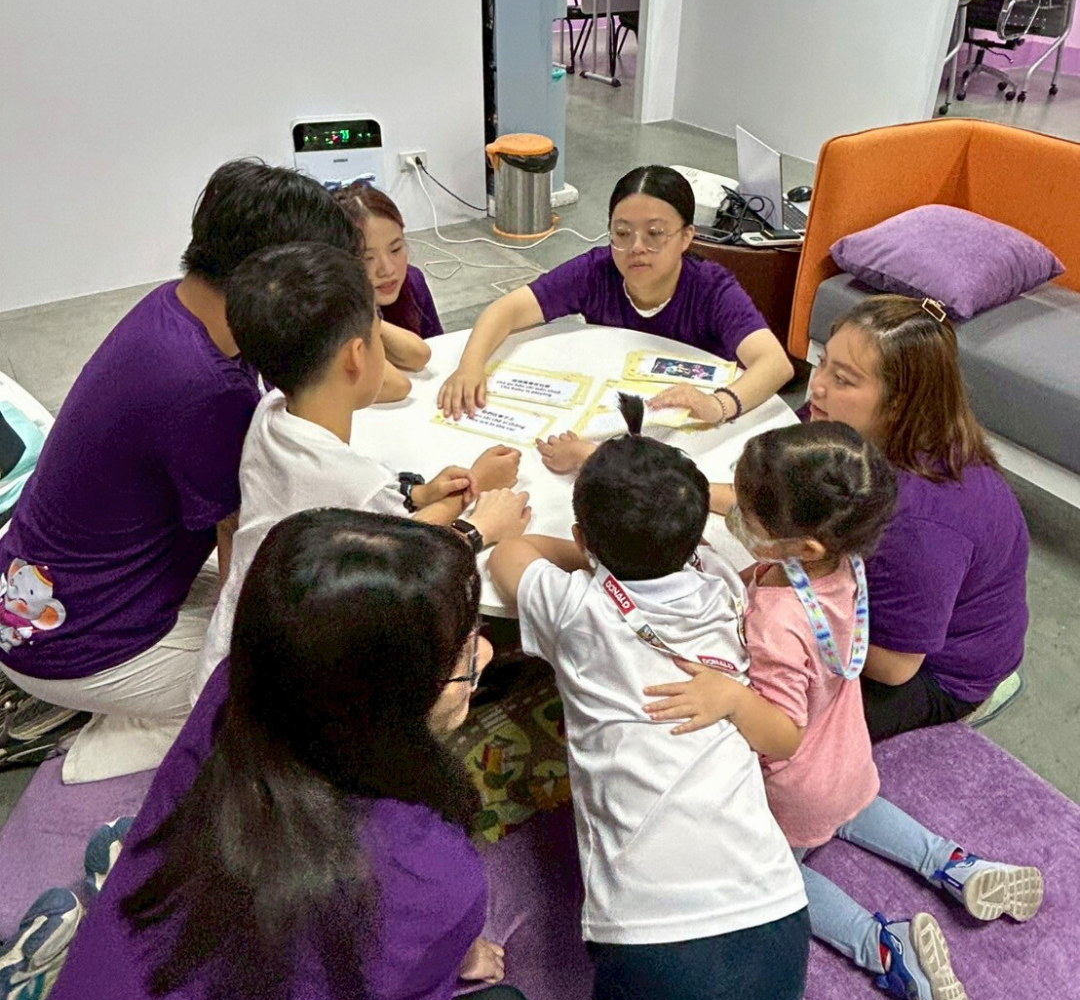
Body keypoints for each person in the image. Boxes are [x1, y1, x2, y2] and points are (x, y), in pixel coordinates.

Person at [20, 509, 543, 1000]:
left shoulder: (233, 691)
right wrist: (448, 953)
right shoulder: (429, 869)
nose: (484, 655)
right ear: (388, 702)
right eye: (464, 656)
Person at [644, 423, 1043, 1000]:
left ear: (801, 543)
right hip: (845, 746)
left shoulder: (776, 622)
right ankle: (955, 866)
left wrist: (730, 697)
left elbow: (782, 733)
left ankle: (884, 946)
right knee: (854, 805)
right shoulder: (843, 560)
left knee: (773, 875)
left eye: (748, 512)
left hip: (796, 782)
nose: (738, 516)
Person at [0, 159, 360, 781]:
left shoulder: (175, 309)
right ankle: (116, 738)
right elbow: (244, 537)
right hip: (67, 642)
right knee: (298, 673)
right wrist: (243, 650)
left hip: (33, 596)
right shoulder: (207, 386)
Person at [489, 395, 808, 1000]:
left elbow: (511, 555)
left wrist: (589, 560)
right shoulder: (725, 585)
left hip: (655, 949)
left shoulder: (578, 610)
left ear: (585, 540)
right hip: (777, 920)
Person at [193, 241, 530, 698]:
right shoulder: (351, 481)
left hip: (231, 653)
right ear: (355, 355)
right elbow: (412, 550)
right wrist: (479, 507)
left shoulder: (269, 410)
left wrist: (419, 493)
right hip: (286, 687)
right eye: (377, 330)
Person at [438, 166, 793, 473]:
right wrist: (470, 366)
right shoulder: (596, 271)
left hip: (689, 436)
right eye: (622, 233)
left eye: (655, 234)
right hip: (611, 416)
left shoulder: (711, 288)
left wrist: (717, 404)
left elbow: (775, 364)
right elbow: (508, 309)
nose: (636, 247)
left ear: (687, 237)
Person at [805, 295, 1030, 740]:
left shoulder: (918, 524)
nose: (817, 386)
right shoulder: (849, 423)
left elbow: (895, 667)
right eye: (822, 363)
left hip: (940, 675)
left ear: (898, 403)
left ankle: (983, 699)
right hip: (895, 602)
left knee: (783, 726)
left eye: (843, 379)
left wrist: (795, 610)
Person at [335, 181, 441, 402]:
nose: (387, 269)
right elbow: (396, 385)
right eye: (367, 258)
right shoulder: (329, 313)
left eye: (396, 249)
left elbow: (425, 355)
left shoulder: (412, 281)